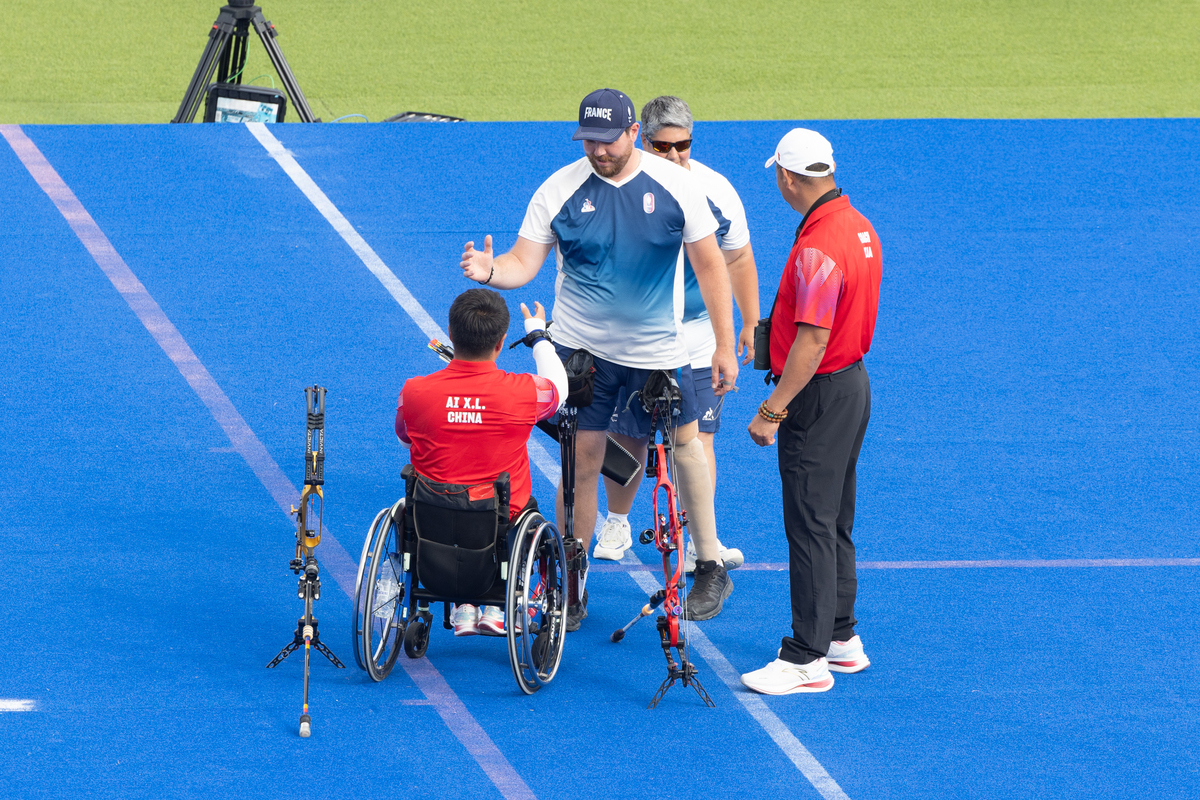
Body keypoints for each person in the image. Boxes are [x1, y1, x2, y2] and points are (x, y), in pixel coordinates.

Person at [460, 88, 740, 628]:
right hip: (581, 354)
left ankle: (709, 565)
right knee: (579, 462)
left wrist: (725, 344)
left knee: (685, 451)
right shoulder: (559, 188)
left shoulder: (677, 186)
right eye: (588, 141)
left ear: (633, 132)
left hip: (657, 351)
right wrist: (491, 271)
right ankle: (570, 578)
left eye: (607, 141)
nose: (598, 151)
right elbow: (523, 261)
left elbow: (711, 266)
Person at [739, 129, 881, 694]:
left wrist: (772, 410)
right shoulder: (858, 225)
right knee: (834, 518)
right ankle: (842, 638)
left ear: (788, 178)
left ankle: (805, 657)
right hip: (852, 387)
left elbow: (812, 341)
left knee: (809, 523)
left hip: (816, 394)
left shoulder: (819, 246)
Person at [595, 95, 759, 575]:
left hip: (697, 339)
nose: (673, 155)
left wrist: (749, 322)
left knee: (700, 440)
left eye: (682, 145)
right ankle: (617, 521)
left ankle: (696, 543)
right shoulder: (619, 186)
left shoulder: (716, 190)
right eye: (662, 146)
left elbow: (738, 257)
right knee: (625, 434)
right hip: (635, 336)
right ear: (643, 140)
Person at [395, 288, 567, 636]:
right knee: (518, 507)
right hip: (503, 517)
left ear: (451, 333)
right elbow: (558, 390)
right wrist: (538, 337)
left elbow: (404, 436)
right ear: (501, 341)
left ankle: (464, 604)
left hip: (430, 514)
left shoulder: (414, 391)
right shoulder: (524, 392)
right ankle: (492, 605)